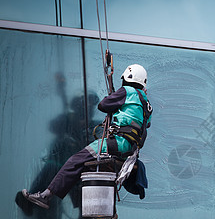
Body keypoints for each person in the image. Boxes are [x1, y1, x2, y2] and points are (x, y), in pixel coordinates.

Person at [22, 64, 152, 209]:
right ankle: (104, 211)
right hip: (130, 151)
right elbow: (145, 125)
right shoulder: (147, 104)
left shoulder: (126, 91)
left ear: (126, 78)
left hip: (117, 143)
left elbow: (103, 105)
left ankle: (46, 196)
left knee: (75, 160)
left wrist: (114, 100)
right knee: (90, 168)